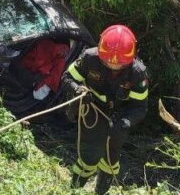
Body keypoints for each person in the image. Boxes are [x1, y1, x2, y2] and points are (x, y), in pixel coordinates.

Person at [62, 24, 149, 194]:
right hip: (93, 108)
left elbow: (139, 108)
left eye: (118, 64)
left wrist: (125, 122)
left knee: (111, 159)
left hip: (120, 116)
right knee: (90, 155)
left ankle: (100, 191)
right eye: (107, 61)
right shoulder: (89, 58)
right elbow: (67, 78)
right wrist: (77, 89)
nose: (112, 65)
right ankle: (74, 189)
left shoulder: (137, 74)